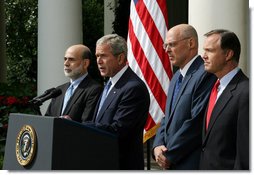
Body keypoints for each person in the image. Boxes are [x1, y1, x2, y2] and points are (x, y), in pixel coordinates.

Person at [152, 24, 216, 170]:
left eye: (172, 44)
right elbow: (167, 118)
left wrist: (170, 155)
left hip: (189, 163)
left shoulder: (205, 74)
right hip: (171, 161)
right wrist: (157, 146)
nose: (167, 50)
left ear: (191, 43)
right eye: (165, 45)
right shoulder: (176, 77)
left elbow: (196, 122)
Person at [89, 34, 150, 170]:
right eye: (97, 56)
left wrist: (78, 126)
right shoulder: (110, 84)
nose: (98, 61)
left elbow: (118, 130)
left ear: (120, 58)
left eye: (103, 56)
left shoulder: (133, 88)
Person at [199, 29, 249, 170]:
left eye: (210, 51)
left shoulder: (246, 93)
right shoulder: (215, 87)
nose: (204, 56)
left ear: (228, 54)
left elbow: (245, 154)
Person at [45, 44, 102, 123]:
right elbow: (48, 118)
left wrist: (70, 124)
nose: (66, 63)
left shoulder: (94, 89)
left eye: (71, 59)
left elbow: (88, 123)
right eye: (65, 59)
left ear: (85, 63)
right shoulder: (59, 90)